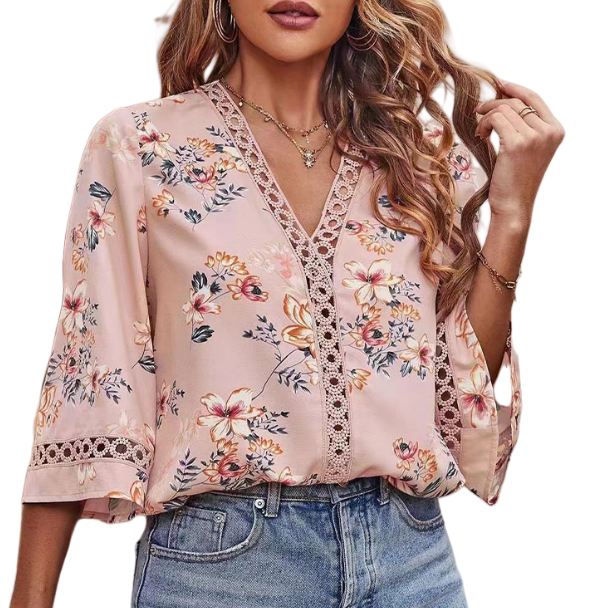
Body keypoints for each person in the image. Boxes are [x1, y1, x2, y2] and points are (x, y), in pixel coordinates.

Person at [10, 1, 565, 607]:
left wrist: (513, 213)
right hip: (223, 573)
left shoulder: (419, 156)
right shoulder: (141, 146)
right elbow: (87, 378)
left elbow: (459, 397)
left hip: (412, 562)